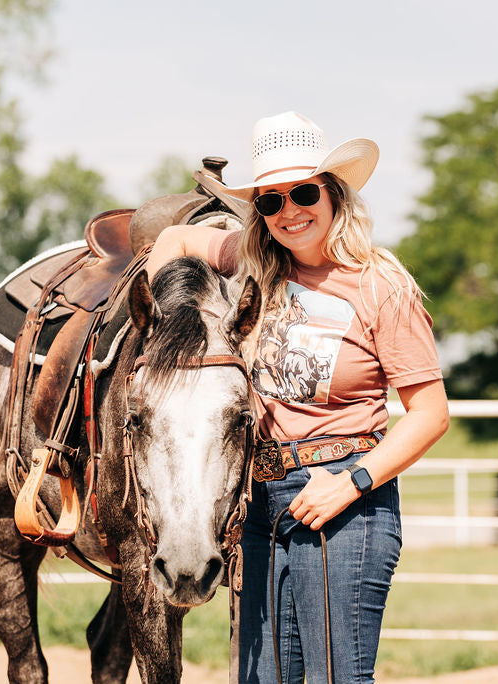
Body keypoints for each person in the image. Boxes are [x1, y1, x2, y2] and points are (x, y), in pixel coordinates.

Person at [145, 111, 449, 683]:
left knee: (336, 678)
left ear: (334, 194)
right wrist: (170, 321)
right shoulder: (255, 263)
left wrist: (352, 482)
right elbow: (175, 238)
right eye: (270, 201)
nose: (290, 211)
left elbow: (431, 414)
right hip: (259, 503)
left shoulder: (381, 288)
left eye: (304, 192)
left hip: (343, 499)